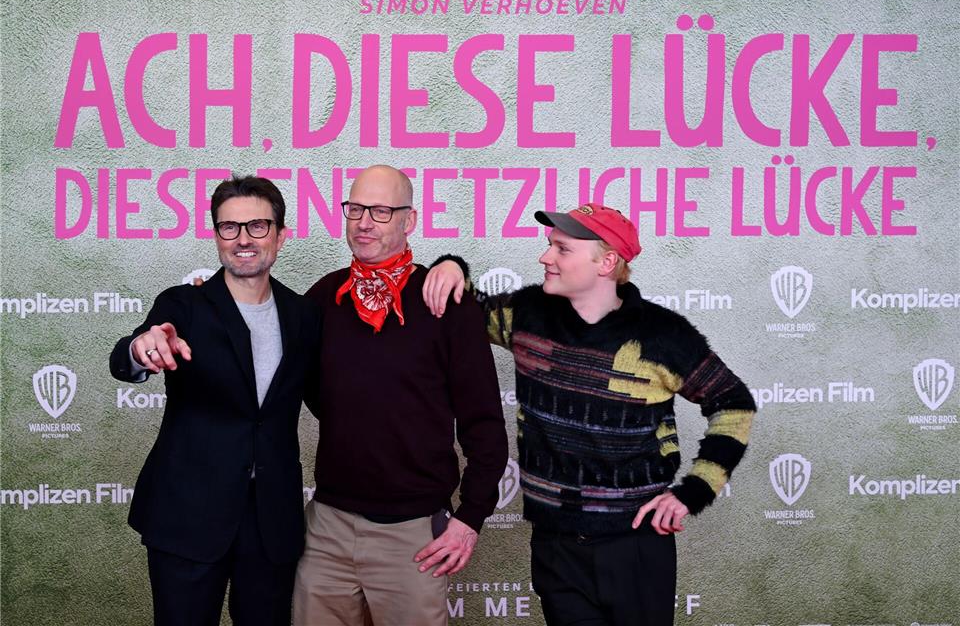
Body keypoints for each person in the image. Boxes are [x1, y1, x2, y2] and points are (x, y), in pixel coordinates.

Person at [424, 203, 757, 626]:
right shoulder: (526, 315)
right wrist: (451, 265)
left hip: (636, 548)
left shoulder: (663, 335)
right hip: (555, 548)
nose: (545, 257)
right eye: (550, 245)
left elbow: (733, 403)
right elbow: (461, 304)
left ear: (607, 262)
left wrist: (692, 492)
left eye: (562, 249)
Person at [293, 165, 508, 626]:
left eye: (381, 211)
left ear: (409, 220)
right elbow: (297, 379)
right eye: (355, 209)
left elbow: (485, 422)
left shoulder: (446, 301)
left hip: (413, 535)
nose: (364, 222)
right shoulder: (324, 297)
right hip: (327, 527)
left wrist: (470, 517)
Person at [109, 176, 319, 626]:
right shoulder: (183, 305)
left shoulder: (303, 314)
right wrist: (141, 349)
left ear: (281, 236)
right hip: (187, 516)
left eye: (257, 226)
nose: (243, 239)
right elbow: (131, 353)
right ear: (217, 235)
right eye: (229, 227)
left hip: (270, 522)